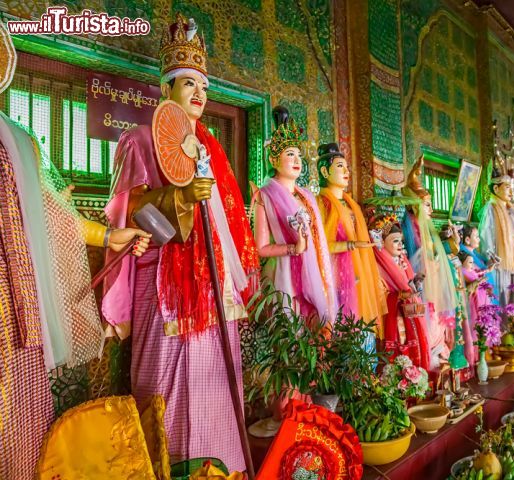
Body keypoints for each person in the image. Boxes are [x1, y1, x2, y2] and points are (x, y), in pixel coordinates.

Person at [102, 14, 258, 472]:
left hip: (212, 286)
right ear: (167, 86)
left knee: (216, 380)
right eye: (188, 82)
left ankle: (221, 467)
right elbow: (127, 211)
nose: (199, 94)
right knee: (163, 383)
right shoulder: (140, 140)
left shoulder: (211, 147)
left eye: (204, 86)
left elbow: (229, 219)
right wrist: (179, 195)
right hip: (164, 286)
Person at [0, 22, 149, 479]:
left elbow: (53, 216)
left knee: (19, 431)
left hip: (13, 311)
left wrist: (109, 236)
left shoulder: (14, 142)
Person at [254, 108, 337, 323]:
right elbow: (260, 248)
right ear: (274, 159)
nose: (296, 159)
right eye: (290, 154)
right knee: (294, 332)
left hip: (314, 271)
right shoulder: (265, 196)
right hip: (285, 273)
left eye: (298, 155)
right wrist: (294, 248)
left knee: (318, 330)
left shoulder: (307, 196)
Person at [316, 142, 385, 335]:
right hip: (336, 276)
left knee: (362, 328)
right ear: (324, 171)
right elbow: (318, 246)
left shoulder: (351, 204)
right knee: (342, 328)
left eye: (347, 167)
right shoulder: (320, 204)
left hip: (357, 272)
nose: (346, 171)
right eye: (340, 166)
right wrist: (351, 244)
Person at [401, 156, 457, 369]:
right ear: (415, 206)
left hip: (433, 289)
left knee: (438, 328)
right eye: (427, 205)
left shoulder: (425, 230)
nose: (431, 210)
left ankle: (439, 366)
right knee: (429, 329)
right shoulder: (410, 231)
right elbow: (416, 261)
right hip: (423, 290)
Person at [370, 214, 430, 370]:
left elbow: (408, 284)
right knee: (400, 348)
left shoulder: (402, 260)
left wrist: (416, 284)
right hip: (393, 316)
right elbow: (378, 294)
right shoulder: (378, 266)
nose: (400, 245)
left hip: (409, 311)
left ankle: (414, 379)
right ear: (382, 242)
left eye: (401, 241)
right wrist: (399, 295)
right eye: (395, 241)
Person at [476, 168, 514, 303]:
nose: (511, 191)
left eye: (511, 187)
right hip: (498, 260)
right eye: (507, 187)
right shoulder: (490, 208)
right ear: (496, 189)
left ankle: (513, 322)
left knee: (512, 296)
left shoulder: (509, 210)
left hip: (512, 259)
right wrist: (491, 257)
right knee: (500, 296)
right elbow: (486, 236)